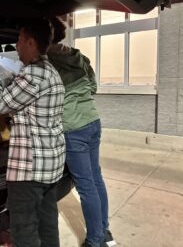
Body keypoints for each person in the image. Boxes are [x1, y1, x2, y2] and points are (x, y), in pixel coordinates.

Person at [0, 19, 66, 247]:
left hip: (30, 171)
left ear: (30, 42)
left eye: (19, 40)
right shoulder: (50, 71)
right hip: (51, 166)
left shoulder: (33, 75)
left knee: (24, 232)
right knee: (48, 227)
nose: (16, 45)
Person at [47, 17, 116, 247]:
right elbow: (93, 87)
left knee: (86, 185)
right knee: (96, 178)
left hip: (72, 127)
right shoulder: (79, 56)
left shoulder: (47, 62)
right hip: (92, 121)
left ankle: (95, 240)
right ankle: (104, 231)